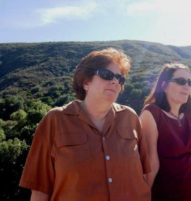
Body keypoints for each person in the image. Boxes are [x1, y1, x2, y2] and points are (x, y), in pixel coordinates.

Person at [19, 48, 151, 201]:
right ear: (86, 82)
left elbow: (144, 172)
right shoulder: (55, 120)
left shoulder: (130, 117)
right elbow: (40, 188)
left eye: (120, 79)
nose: (115, 81)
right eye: (107, 75)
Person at [140, 63, 191, 201]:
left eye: (189, 82)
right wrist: (144, 195)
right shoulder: (151, 113)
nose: (187, 86)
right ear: (164, 86)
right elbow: (151, 160)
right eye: (181, 81)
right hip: (166, 193)